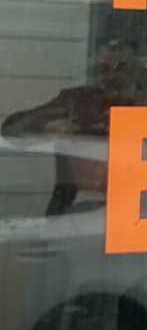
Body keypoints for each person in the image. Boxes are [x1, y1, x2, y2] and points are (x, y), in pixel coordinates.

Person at [2, 40, 138, 215]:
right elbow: (11, 130)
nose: (111, 76)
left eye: (120, 69)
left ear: (135, 71)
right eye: (103, 69)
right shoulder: (76, 101)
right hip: (72, 210)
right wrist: (45, 126)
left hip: (136, 212)